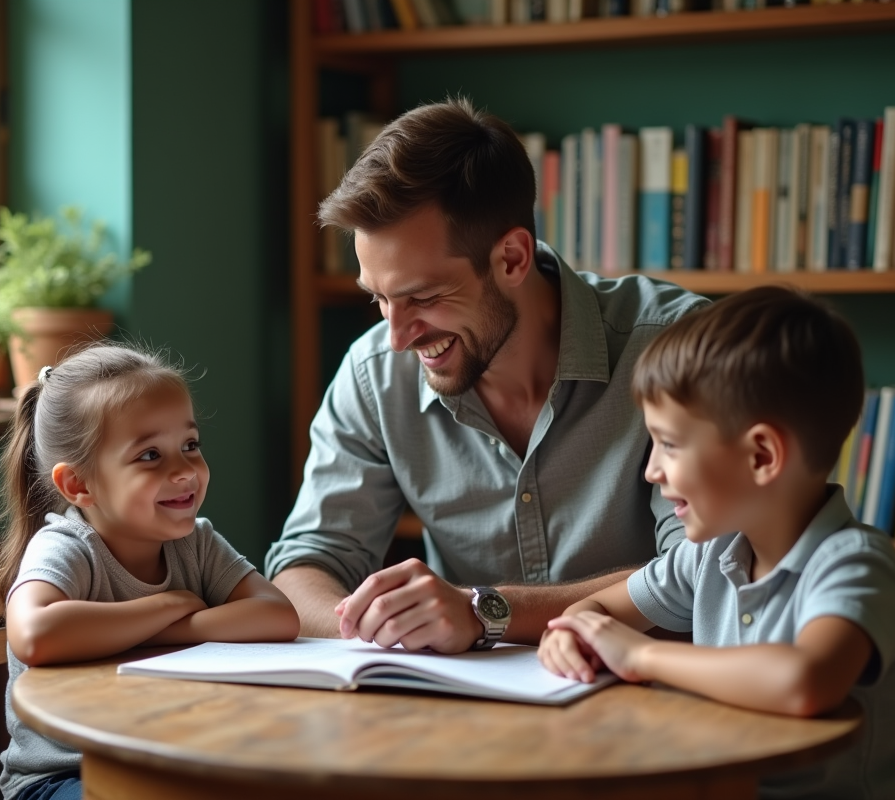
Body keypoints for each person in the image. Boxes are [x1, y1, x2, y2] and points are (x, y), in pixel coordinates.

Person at [265, 97, 709, 654]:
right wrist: (385, 634)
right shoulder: (374, 374)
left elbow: (705, 571)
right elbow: (306, 564)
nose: (398, 337)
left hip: (656, 701)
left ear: (513, 258)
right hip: (464, 717)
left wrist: (483, 613)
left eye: (423, 297)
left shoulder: (679, 347)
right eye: (379, 299)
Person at [538, 286, 895, 798]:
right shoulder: (710, 555)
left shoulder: (856, 567)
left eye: (669, 445)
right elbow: (596, 607)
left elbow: (804, 681)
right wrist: (572, 631)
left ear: (761, 456)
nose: (651, 470)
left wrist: (641, 657)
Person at [0, 345, 300, 800]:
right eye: (150, 456)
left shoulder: (195, 541)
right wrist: (167, 604)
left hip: (165, 764)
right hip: (65, 777)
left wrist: (168, 629)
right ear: (79, 485)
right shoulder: (67, 547)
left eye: (190, 446)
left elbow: (277, 616)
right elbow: (35, 634)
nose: (185, 471)